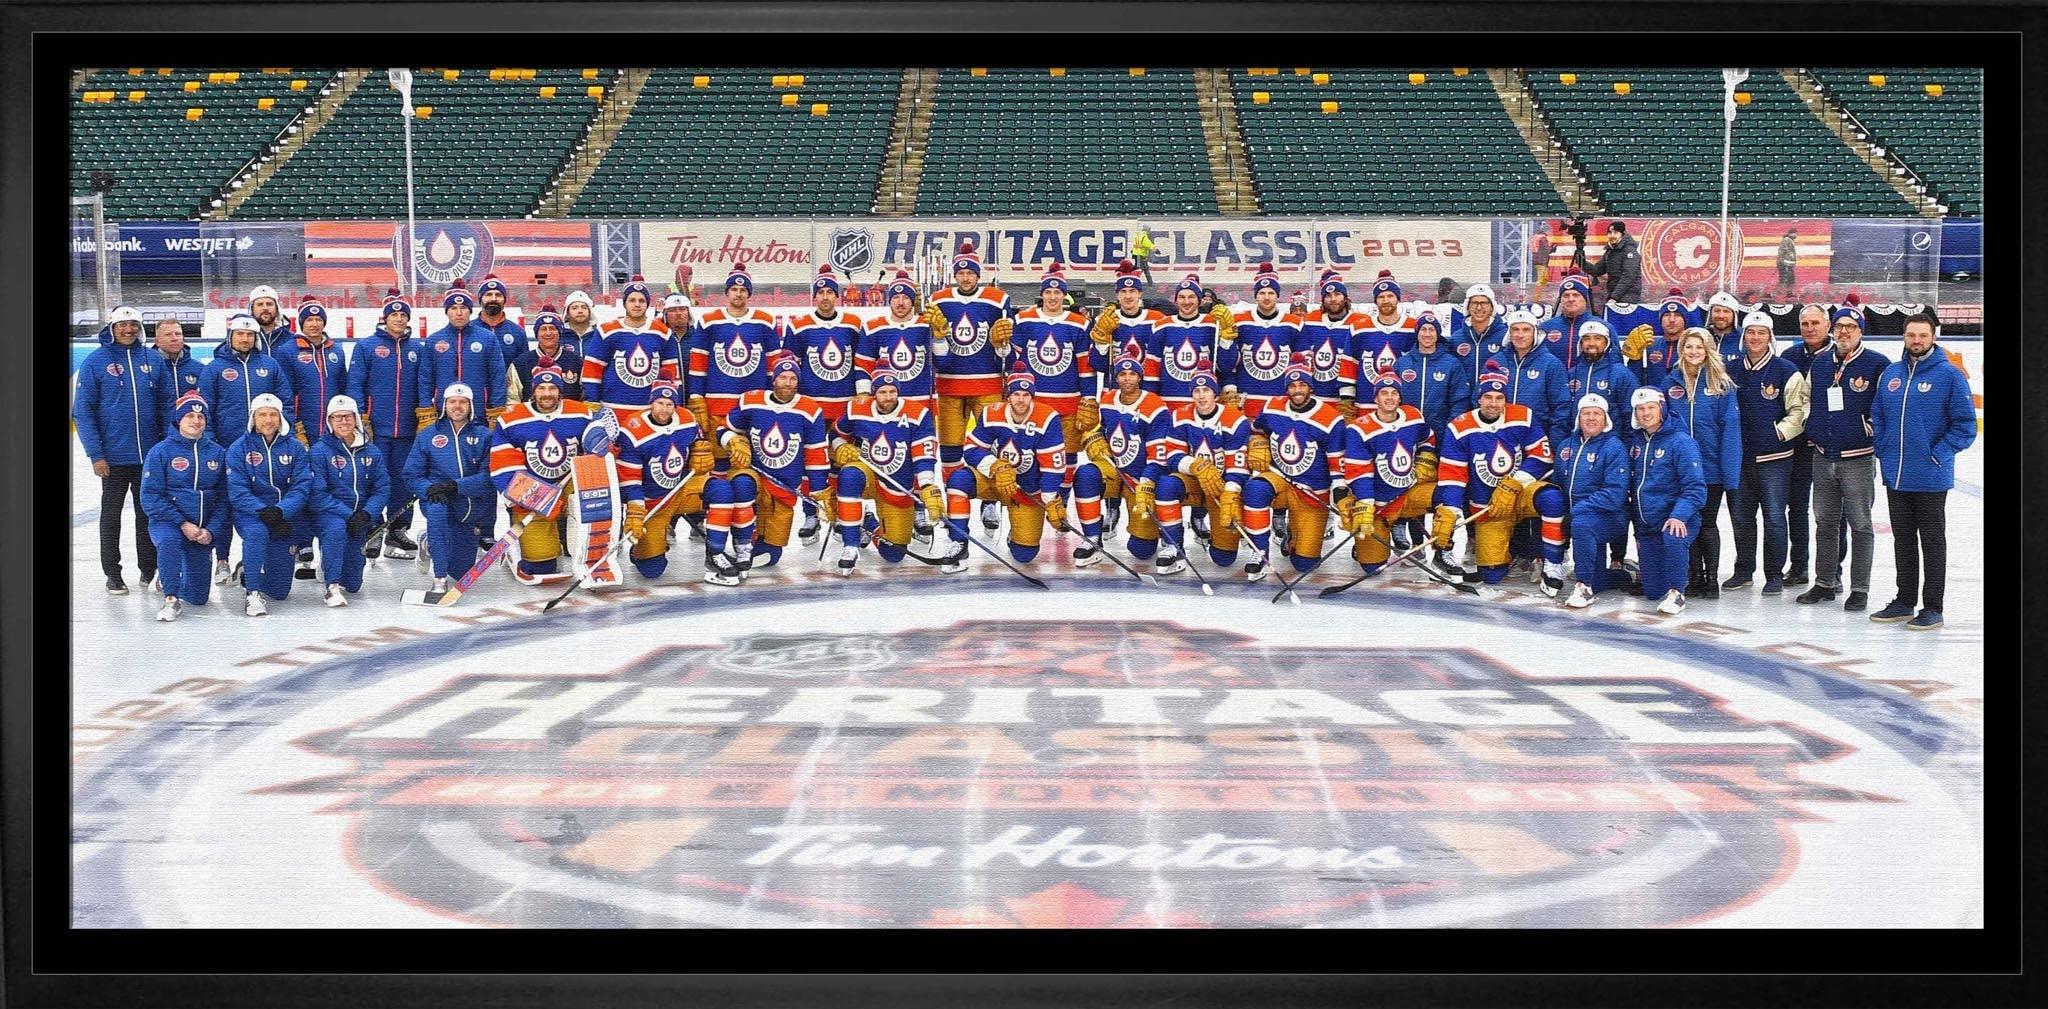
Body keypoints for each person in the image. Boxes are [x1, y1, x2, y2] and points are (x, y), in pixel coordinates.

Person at [1868, 313, 1975, 630]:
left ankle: (1933, 607)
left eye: (1923, 335)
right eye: (1911, 335)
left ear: (1934, 337)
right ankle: (1904, 600)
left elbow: (1965, 426)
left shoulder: (1949, 376)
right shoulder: (1891, 374)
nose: (1916, 340)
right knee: (1903, 540)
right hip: (1897, 476)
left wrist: (1938, 454)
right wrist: (1885, 451)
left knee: (1931, 542)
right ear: (1904, 336)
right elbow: (1879, 416)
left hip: (1930, 476)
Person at [1432, 364, 1568, 593]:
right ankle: (1510, 552)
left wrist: (1517, 481)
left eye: (1498, 398)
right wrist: (1453, 510)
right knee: (1492, 575)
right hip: (1488, 508)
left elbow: (1543, 455)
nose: (1493, 403)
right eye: (1487, 397)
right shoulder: (1459, 428)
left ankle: (1553, 564)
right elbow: (1452, 475)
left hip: (1520, 493)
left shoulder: (1521, 416)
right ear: (1478, 398)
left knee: (1553, 499)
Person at [1797, 306, 1890, 611]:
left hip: (1858, 458)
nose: (1844, 332)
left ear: (1861, 330)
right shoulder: (1822, 363)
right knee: (1824, 523)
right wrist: (1812, 426)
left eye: (1851, 326)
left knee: (1860, 524)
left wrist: (1868, 428)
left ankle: (1860, 588)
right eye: (1839, 326)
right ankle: (1824, 582)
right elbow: (1806, 398)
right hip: (1823, 456)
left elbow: (1887, 406)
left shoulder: (1877, 363)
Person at [74, 305, 168, 594]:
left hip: (149, 458)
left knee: (147, 514)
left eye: (133, 325)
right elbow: (83, 411)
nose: (128, 330)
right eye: (121, 325)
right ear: (111, 328)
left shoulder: (153, 359)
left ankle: (149, 568)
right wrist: (96, 454)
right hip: (113, 458)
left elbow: (165, 407)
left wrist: (164, 449)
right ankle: (112, 573)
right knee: (111, 516)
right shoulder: (96, 361)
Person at [939, 361, 1067, 573]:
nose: (1021, 400)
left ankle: (1015, 533)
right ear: (1008, 396)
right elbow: (971, 449)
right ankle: (959, 543)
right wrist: (996, 466)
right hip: (994, 480)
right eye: (1016, 395)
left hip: (1027, 489)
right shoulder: (991, 413)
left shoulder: (1047, 417)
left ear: (1032, 397)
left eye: (1026, 395)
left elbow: (1052, 466)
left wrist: (1049, 499)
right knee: (958, 480)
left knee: (1024, 554)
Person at [925, 241, 1014, 533]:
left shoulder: (998, 299)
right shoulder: (938, 299)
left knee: (990, 446)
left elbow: (1009, 353)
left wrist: (1001, 345)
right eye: (960, 272)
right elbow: (932, 347)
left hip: (988, 384)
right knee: (950, 451)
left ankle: (989, 500)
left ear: (978, 274)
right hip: (949, 385)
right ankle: (955, 503)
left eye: (970, 272)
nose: (965, 277)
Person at [719, 349, 832, 575]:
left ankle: (754, 541)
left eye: (792, 379)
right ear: (774, 378)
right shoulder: (751, 401)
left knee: (770, 555)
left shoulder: (810, 410)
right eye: (783, 377)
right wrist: (733, 441)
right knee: (742, 485)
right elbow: (723, 429)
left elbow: (816, 454)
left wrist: (820, 493)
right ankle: (742, 543)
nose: (787, 383)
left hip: (785, 487)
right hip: (755, 476)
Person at [201, 313, 295, 584]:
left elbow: (284, 403)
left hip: (262, 447)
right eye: (240, 334)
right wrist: (212, 444)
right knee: (224, 504)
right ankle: (222, 559)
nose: (245, 338)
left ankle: (252, 559)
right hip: (225, 447)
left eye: (250, 334)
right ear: (230, 336)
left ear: (256, 338)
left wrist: (281, 435)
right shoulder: (215, 368)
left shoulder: (270, 365)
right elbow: (205, 409)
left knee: (257, 504)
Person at [1241, 353, 1348, 580]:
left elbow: (1337, 464)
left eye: (1302, 385)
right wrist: (1258, 444)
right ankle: (1259, 553)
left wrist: (1339, 490)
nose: (1297, 390)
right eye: (1292, 385)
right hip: (1279, 479)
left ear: (1311, 387)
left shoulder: (1331, 418)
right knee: (1254, 490)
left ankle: (1294, 536)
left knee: (1304, 564)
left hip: (1311, 490)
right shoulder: (1272, 407)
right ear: (1286, 388)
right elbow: (1255, 430)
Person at [1724, 312, 1810, 595]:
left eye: (1761, 333)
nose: (1755, 338)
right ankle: (1743, 570)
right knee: (1741, 516)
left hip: (1775, 460)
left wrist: (1779, 434)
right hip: (1739, 459)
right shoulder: (1730, 369)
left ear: (1770, 337)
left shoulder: (1786, 370)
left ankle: (1773, 574)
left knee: (1774, 516)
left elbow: (1799, 411)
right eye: (1750, 332)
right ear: (1743, 336)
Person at [828, 369, 945, 575]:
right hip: (867, 472)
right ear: (874, 393)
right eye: (883, 392)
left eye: (892, 391)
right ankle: (851, 545)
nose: (888, 396)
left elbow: (924, 455)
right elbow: (835, 434)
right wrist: (839, 446)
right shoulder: (857, 408)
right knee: (849, 475)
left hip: (898, 482)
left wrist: (927, 485)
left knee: (894, 553)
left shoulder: (918, 414)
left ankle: (869, 524)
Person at [489, 367, 597, 584]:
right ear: (533, 391)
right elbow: (503, 468)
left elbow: (596, 447)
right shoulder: (512, 419)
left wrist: (603, 443)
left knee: (591, 500)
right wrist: (539, 498)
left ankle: (587, 550)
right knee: (541, 566)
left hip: (569, 484)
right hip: (531, 490)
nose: (547, 393)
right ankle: (533, 547)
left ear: (560, 391)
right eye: (541, 388)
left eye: (552, 388)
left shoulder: (582, 413)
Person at [784, 265, 865, 545]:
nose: (826, 297)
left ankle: (847, 512)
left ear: (837, 296)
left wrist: (861, 397)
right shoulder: (799, 325)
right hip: (811, 408)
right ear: (814, 297)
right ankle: (812, 512)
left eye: (831, 292)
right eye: (821, 293)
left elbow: (860, 362)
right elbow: (789, 367)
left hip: (845, 407)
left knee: (844, 463)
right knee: (812, 464)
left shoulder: (853, 324)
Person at [1660, 328, 1743, 599]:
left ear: (1709, 351)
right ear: (1681, 350)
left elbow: (1730, 432)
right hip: (1678, 470)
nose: (1694, 352)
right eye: (1688, 347)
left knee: (1707, 523)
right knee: (1686, 521)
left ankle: (1710, 578)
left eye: (1699, 347)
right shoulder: (1670, 383)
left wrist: (1729, 475)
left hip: (1710, 468)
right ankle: (1692, 574)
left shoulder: (1722, 385)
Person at [1070, 348, 1171, 570]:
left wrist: (1147, 482)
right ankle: (1092, 539)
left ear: (1140, 376)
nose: (1127, 379)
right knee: (1086, 474)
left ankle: (1155, 534)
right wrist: (1093, 439)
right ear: (1115, 377)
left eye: (1132, 374)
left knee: (1142, 550)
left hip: (1140, 478)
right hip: (1114, 471)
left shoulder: (1155, 406)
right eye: (1122, 374)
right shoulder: (1106, 400)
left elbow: (1159, 454)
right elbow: (1096, 430)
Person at [347, 290, 428, 568]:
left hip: (408, 427)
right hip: (376, 429)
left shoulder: (418, 349)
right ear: (385, 317)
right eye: (394, 314)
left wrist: (425, 417)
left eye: (403, 314)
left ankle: (398, 529)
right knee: (373, 479)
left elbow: (424, 385)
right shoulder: (367, 346)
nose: (398, 318)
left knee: (404, 480)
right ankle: (372, 526)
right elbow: (356, 382)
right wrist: (361, 417)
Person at [141, 394, 232, 621]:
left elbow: (224, 499)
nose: (196, 420)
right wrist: (182, 523)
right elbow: (150, 497)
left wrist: (210, 530)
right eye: (189, 415)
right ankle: (171, 599)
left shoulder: (217, 453)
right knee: (170, 543)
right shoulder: (160, 452)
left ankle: (169, 576)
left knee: (199, 597)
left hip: (202, 529)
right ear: (178, 419)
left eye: (201, 416)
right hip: (169, 524)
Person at [1339, 370, 1437, 577]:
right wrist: (1365, 501)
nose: (1390, 397)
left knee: (1445, 496)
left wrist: (1425, 458)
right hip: (1378, 503)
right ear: (1375, 398)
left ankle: (1442, 551)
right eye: (1384, 393)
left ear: (1400, 397)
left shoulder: (1413, 416)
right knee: (1372, 567)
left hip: (1408, 493)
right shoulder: (1358, 429)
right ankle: (1371, 539)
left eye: (1394, 393)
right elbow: (1358, 469)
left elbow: (1427, 438)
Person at [1009, 262, 1096, 494]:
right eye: (1048, 292)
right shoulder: (1024, 319)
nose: (1052, 297)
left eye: (1057, 292)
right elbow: (1012, 361)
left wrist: (1088, 398)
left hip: (1068, 402)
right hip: (1032, 404)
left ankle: (1063, 501)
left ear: (1064, 296)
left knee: (1067, 455)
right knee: (1031, 455)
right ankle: (1032, 501)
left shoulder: (1079, 323)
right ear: (1042, 294)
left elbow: (1085, 366)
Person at [1155, 361, 1250, 572]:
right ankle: (1173, 546)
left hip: (1222, 485)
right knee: (1166, 485)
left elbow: (1239, 465)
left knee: (1223, 558)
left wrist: (1231, 493)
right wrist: (1195, 466)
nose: (1201, 395)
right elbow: (1172, 456)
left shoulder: (1235, 419)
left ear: (1215, 393)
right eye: (1196, 391)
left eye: (1206, 390)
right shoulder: (1179, 415)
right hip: (1194, 481)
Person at [402, 383, 497, 594]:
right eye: (452, 402)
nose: (457, 406)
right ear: (444, 405)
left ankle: (426, 542)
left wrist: (457, 486)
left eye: (463, 402)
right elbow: (411, 474)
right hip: (438, 499)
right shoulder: (428, 435)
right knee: (437, 517)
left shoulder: (484, 436)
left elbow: (489, 476)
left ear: (471, 406)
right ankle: (439, 579)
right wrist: (428, 488)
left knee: (462, 570)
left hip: (466, 503)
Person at [612, 383, 709, 581]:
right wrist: (636, 510)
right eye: (660, 403)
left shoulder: (687, 419)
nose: (664, 409)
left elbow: (697, 438)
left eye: (669, 404)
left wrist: (701, 449)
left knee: (722, 491)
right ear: (651, 404)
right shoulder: (632, 431)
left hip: (682, 490)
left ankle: (716, 554)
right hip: (652, 502)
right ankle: (644, 549)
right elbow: (630, 479)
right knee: (652, 570)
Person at [225, 393, 311, 616]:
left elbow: (302, 486)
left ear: (281, 418)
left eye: (273, 414)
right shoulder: (238, 448)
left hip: (283, 514)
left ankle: (247, 572)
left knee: (280, 590)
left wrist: (282, 511)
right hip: (251, 514)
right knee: (256, 534)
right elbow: (237, 490)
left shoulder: (295, 448)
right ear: (253, 417)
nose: (268, 420)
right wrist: (262, 511)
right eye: (262, 414)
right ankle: (252, 593)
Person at [1626, 386, 1709, 614]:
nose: (1645, 413)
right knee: (1652, 591)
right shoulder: (1635, 442)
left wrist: (1678, 514)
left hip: (1676, 518)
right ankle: (1640, 574)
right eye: (1640, 409)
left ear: (1662, 408)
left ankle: (1677, 591)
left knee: (1674, 534)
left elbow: (1695, 488)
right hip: (1647, 524)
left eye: (1650, 407)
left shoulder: (1681, 441)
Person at [305, 395, 390, 607]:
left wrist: (367, 513)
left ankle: (331, 568)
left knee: (353, 584)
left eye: (348, 417)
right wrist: (348, 514)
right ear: (329, 421)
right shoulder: (320, 451)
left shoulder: (371, 451)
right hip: (330, 515)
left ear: (356, 419)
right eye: (337, 417)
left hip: (360, 517)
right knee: (336, 529)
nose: (343, 422)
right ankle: (331, 587)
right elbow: (318, 493)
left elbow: (382, 487)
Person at [1780, 303, 1841, 587]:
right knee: (1797, 507)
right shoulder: (1790, 356)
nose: (1810, 328)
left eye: (1816, 323)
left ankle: (1834, 570)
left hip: (1831, 448)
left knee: (1833, 513)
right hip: (1798, 448)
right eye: (1805, 324)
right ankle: (1799, 566)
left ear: (1828, 325)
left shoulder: (1840, 355)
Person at [1556, 394, 1632, 608]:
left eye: (1596, 414)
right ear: (1578, 417)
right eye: (1586, 413)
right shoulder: (1566, 446)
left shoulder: (1613, 446)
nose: (1591, 418)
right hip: (1580, 518)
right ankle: (1618, 577)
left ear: (1605, 419)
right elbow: (1559, 483)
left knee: (1581, 525)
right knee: (1597, 577)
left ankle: (1583, 587)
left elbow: (1614, 494)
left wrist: (1576, 511)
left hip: (1609, 517)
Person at [578, 274, 678, 424]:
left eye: (641, 300)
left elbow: (672, 375)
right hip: (611, 411)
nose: (637, 304)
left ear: (647, 304)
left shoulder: (662, 333)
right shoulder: (607, 331)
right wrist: (592, 403)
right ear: (624, 303)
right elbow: (592, 370)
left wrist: (676, 404)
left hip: (650, 413)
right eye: (632, 300)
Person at [415, 278, 509, 426]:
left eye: (463, 308)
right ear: (446, 312)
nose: (459, 313)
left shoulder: (487, 338)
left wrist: (495, 411)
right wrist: (427, 410)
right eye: (453, 308)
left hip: (480, 414)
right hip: (443, 415)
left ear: (470, 311)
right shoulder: (434, 340)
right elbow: (425, 379)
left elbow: (497, 377)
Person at [1147, 272, 1238, 411]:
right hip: (1169, 403)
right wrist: (1150, 400)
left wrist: (1226, 340)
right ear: (1175, 300)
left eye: (1191, 297)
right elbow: (1152, 368)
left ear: (1200, 300)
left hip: (1204, 405)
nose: (1186, 301)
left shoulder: (1214, 324)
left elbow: (1225, 367)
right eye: (1182, 297)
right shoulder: (1161, 326)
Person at [1224, 262, 1303, 420]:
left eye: (1271, 292)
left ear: (1278, 295)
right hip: (1245, 403)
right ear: (1255, 296)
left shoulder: (1294, 324)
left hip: (1281, 404)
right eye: (1262, 293)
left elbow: (1301, 365)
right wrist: (1230, 389)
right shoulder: (1239, 322)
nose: (1266, 297)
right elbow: (1228, 363)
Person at [281, 296, 349, 446]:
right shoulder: (288, 351)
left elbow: (343, 388)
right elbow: (285, 394)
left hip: (332, 426)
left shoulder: (336, 351)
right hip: (302, 426)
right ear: (301, 323)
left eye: (318, 319)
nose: (314, 324)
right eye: (309, 320)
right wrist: (295, 426)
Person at [1347, 270, 1416, 403]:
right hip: (1365, 405)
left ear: (1398, 298)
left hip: (1401, 407)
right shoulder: (1359, 328)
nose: (1385, 300)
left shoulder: (1414, 327)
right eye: (1381, 297)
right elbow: (1349, 365)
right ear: (1375, 300)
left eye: (1390, 296)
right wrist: (1347, 402)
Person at [1619, 288, 1692, 392]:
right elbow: (1637, 381)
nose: (1671, 320)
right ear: (1660, 319)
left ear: (1685, 320)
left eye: (1677, 315)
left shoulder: (1693, 347)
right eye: (1666, 315)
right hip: (1654, 404)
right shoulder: (1650, 344)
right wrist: (1634, 360)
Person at [512, 307, 585, 404]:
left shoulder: (576, 362)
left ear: (560, 332)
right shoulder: (520, 363)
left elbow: (586, 396)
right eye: (543, 329)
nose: (548, 333)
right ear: (536, 334)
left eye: (552, 328)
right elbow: (512, 400)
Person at [1449, 283, 1508, 389]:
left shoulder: (1505, 336)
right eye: (1474, 303)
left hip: (1493, 401)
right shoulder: (1457, 338)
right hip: (1464, 401)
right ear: (1468, 306)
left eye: (1484, 303)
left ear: (1492, 307)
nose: (1479, 307)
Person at [1539, 273, 1598, 370]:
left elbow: (1614, 362)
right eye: (1566, 295)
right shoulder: (1545, 328)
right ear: (1561, 299)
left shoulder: (1601, 327)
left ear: (1585, 299)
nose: (1571, 299)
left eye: (1576, 295)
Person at [152, 317, 204, 427]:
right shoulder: (149, 368)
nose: (174, 338)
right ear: (157, 341)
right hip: (157, 432)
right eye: (168, 334)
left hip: (192, 430)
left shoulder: (199, 369)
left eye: (178, 334)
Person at [474, 274, 530, 363]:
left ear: (504, 300)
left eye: (498, 295)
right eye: (488, 294)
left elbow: (523, 368)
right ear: (480, 299)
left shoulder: (517, 332)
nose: (493, 299)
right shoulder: (468, 329)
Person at [1587, 222, 1643, 305]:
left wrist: (1614, 298)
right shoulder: (1610, 251)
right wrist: (1582, 262)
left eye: (1615, 233)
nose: (1612, 235)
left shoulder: (1630, 251)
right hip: (1614, 295)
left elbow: (1628, 277)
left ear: (1622, 234)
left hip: (1628, 298)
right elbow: (1597, 270)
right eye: (1610, 233)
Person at [246, 284, 295, 358]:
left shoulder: (291, 340)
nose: (265, 308)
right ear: (252, 309)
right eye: (260, 304)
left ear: (277, 308)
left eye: (269, 304)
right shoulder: (244, 339)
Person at [658, 293, 694, 395]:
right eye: (673, 310)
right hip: (666, 398)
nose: (678, 313)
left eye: (682, 309)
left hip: (694, 398)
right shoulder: (659, 338)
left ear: (689, 312)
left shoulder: (699, 338)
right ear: (665, 314)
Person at [1703, 291, 1746, 369]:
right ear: (1710, 313)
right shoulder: (1700, 336)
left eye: (1726, 311)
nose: (1721, 316)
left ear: (1734, 315)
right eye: (1717, 311)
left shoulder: (1744, 339)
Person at [560, 290, 598, 359]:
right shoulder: (559, 336)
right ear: (567, 313)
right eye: (574, 308)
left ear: (590, 312)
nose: (580, 311)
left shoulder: (600, 335)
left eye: (584, 307)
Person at [1777, 229, 1799, 299]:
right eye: (1795, 234)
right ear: (1791, 233)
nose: (1796, 235)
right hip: (1785, 265)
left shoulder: (1789, 240)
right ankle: (1784, 294)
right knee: (1786, 280)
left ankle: (1788, 294)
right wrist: (1782, 263)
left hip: (1788, 265)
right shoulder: (1787, 240)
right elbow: (1782, 251)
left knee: (1790, 280)